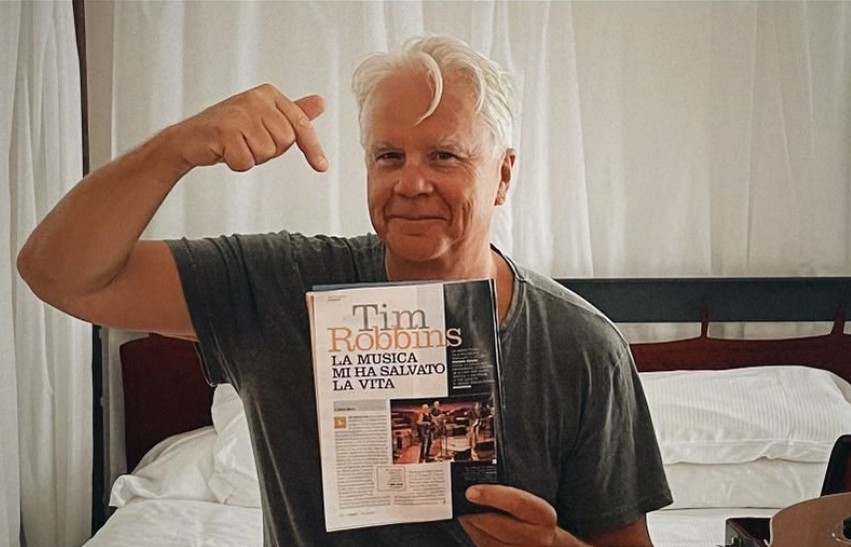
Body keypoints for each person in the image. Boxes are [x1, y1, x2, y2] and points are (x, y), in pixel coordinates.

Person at [17, 35, 671, 546]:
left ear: (502, 176)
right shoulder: (280, 286)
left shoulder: (581, 346)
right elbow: (58, 273)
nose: (410, 183)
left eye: (444, 155)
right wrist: (177, 149)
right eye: (389, 156)